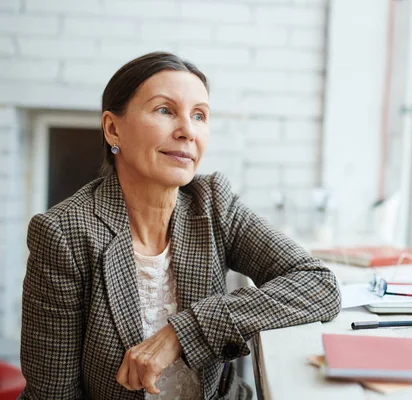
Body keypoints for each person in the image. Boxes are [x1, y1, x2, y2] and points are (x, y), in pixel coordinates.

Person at [19, 52, 341, 400]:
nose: (188, 131)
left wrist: (184, 332)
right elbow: (53, 395)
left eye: (199, 115)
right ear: (113, 128)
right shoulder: (63, 233)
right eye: (165, 110)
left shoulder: (213, 203)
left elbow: (318, 285)